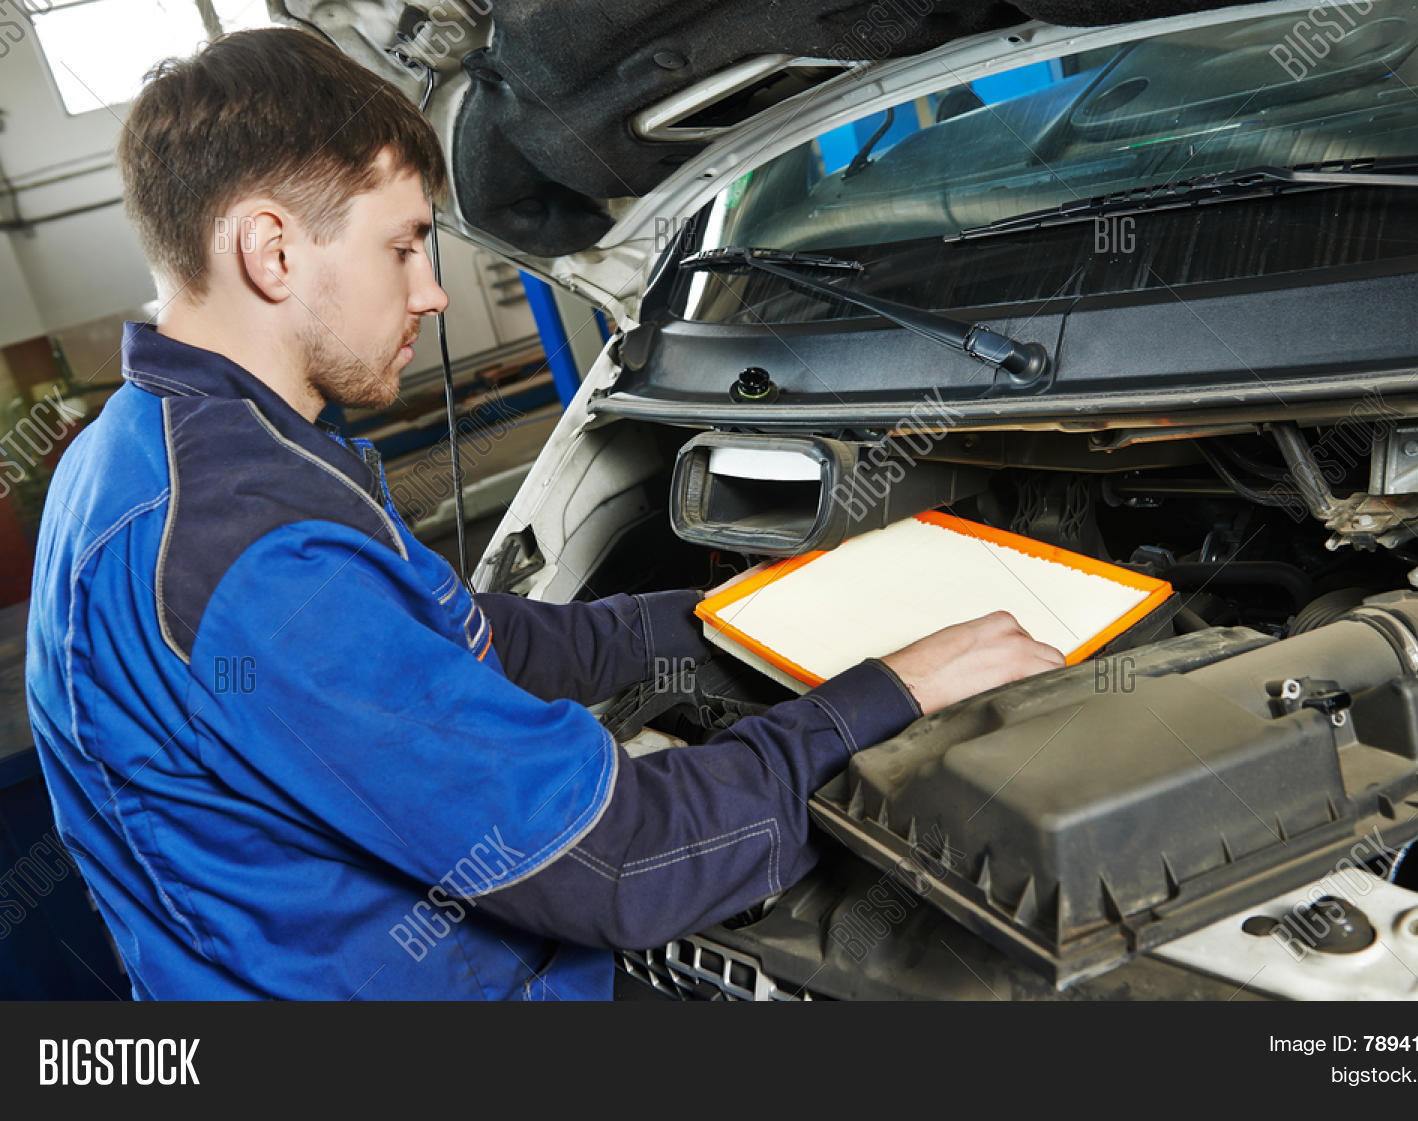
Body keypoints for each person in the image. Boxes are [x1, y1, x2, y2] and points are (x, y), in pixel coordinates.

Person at [24, 27, 1063, 1000]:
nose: (432, 293)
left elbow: (451, 641)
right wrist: (891, 693)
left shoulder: (144, 453)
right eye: (403, 246)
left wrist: (721, 620)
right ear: (273, 250)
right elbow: (622, 862)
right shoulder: (253, 551)